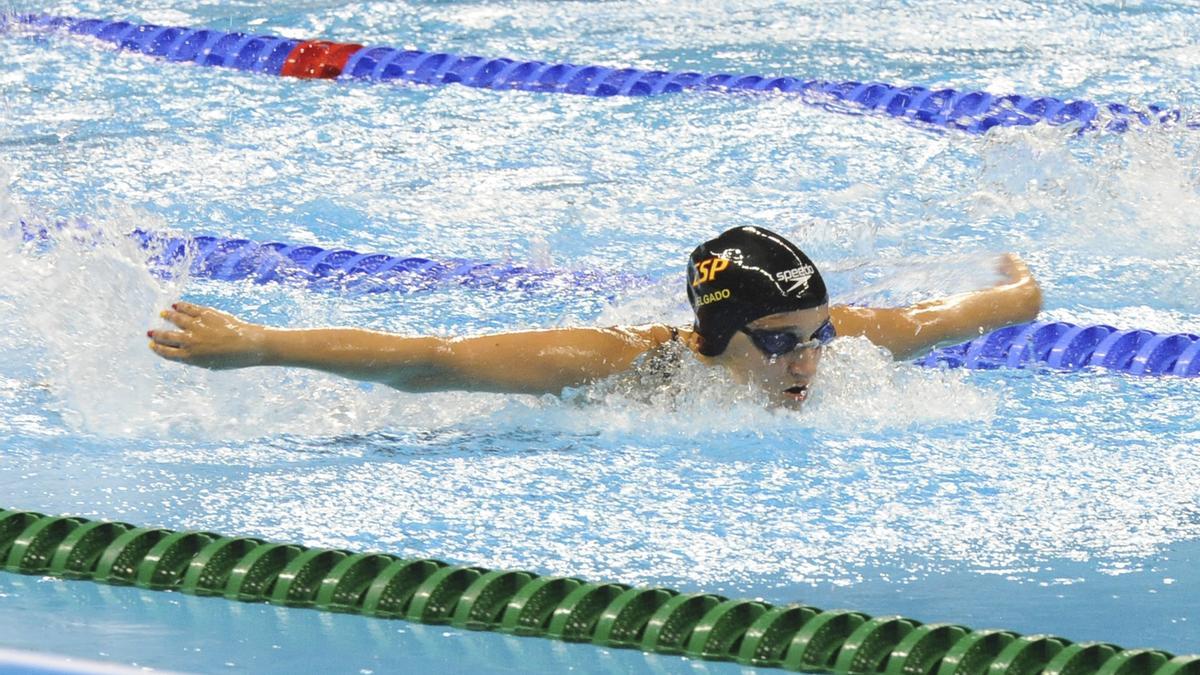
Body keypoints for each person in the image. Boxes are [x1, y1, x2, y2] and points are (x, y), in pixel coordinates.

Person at [147, 226, 1042, 409]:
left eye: (820, 335)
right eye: (780, 342)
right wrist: (257, 344)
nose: (809, 361)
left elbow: (947, 318)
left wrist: (1020, 288)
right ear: (720, 337)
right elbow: (434, 360)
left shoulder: (832, 343)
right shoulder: (625, 364)